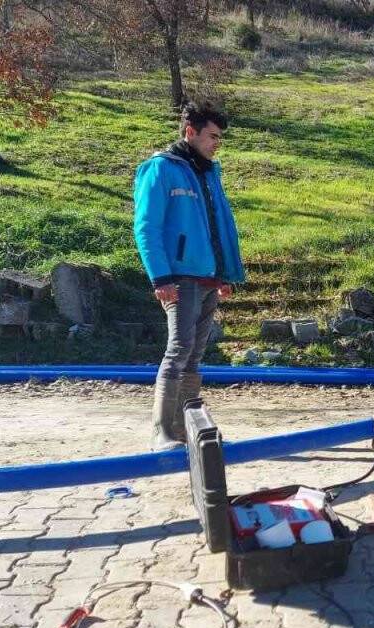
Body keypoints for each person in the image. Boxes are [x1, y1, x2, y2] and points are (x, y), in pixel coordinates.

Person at [133, 102, 245, 452]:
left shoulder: (209, 173)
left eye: (220, 138)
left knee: (195, 355)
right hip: (178, 278)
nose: (217, 143)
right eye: (212, 136)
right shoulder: (160, 169)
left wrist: (224, 272)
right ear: (190, 132)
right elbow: (147, 227)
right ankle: (162, 432)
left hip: (208, 278)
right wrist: (160, 277)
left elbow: (218, 226)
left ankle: (187, 429)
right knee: (178, 350)